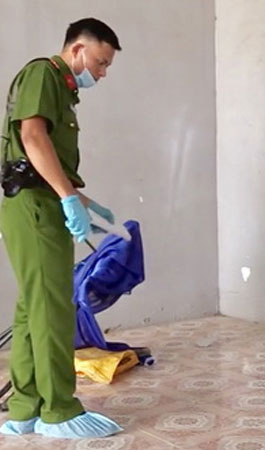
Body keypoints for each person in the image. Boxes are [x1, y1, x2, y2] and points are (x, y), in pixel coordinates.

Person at [0, 18, 123, 438]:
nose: (102, 73)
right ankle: (59, 410)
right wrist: (68, 199)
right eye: (101, 62)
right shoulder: (43, 74)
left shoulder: (62, 91)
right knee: (53, 308)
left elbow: (45, 162)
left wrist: (85, 202)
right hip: (35, 207)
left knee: (32, 308)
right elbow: (32, 138)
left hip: (38, 204)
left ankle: (24, 409)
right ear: (77, 50)